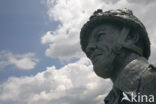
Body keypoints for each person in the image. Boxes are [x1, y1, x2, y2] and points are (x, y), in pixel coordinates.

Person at [80, 8, 156, 104]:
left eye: (100, 35)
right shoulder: (111, 99)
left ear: (130, 37)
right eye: (87, 44)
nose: (88, 48)